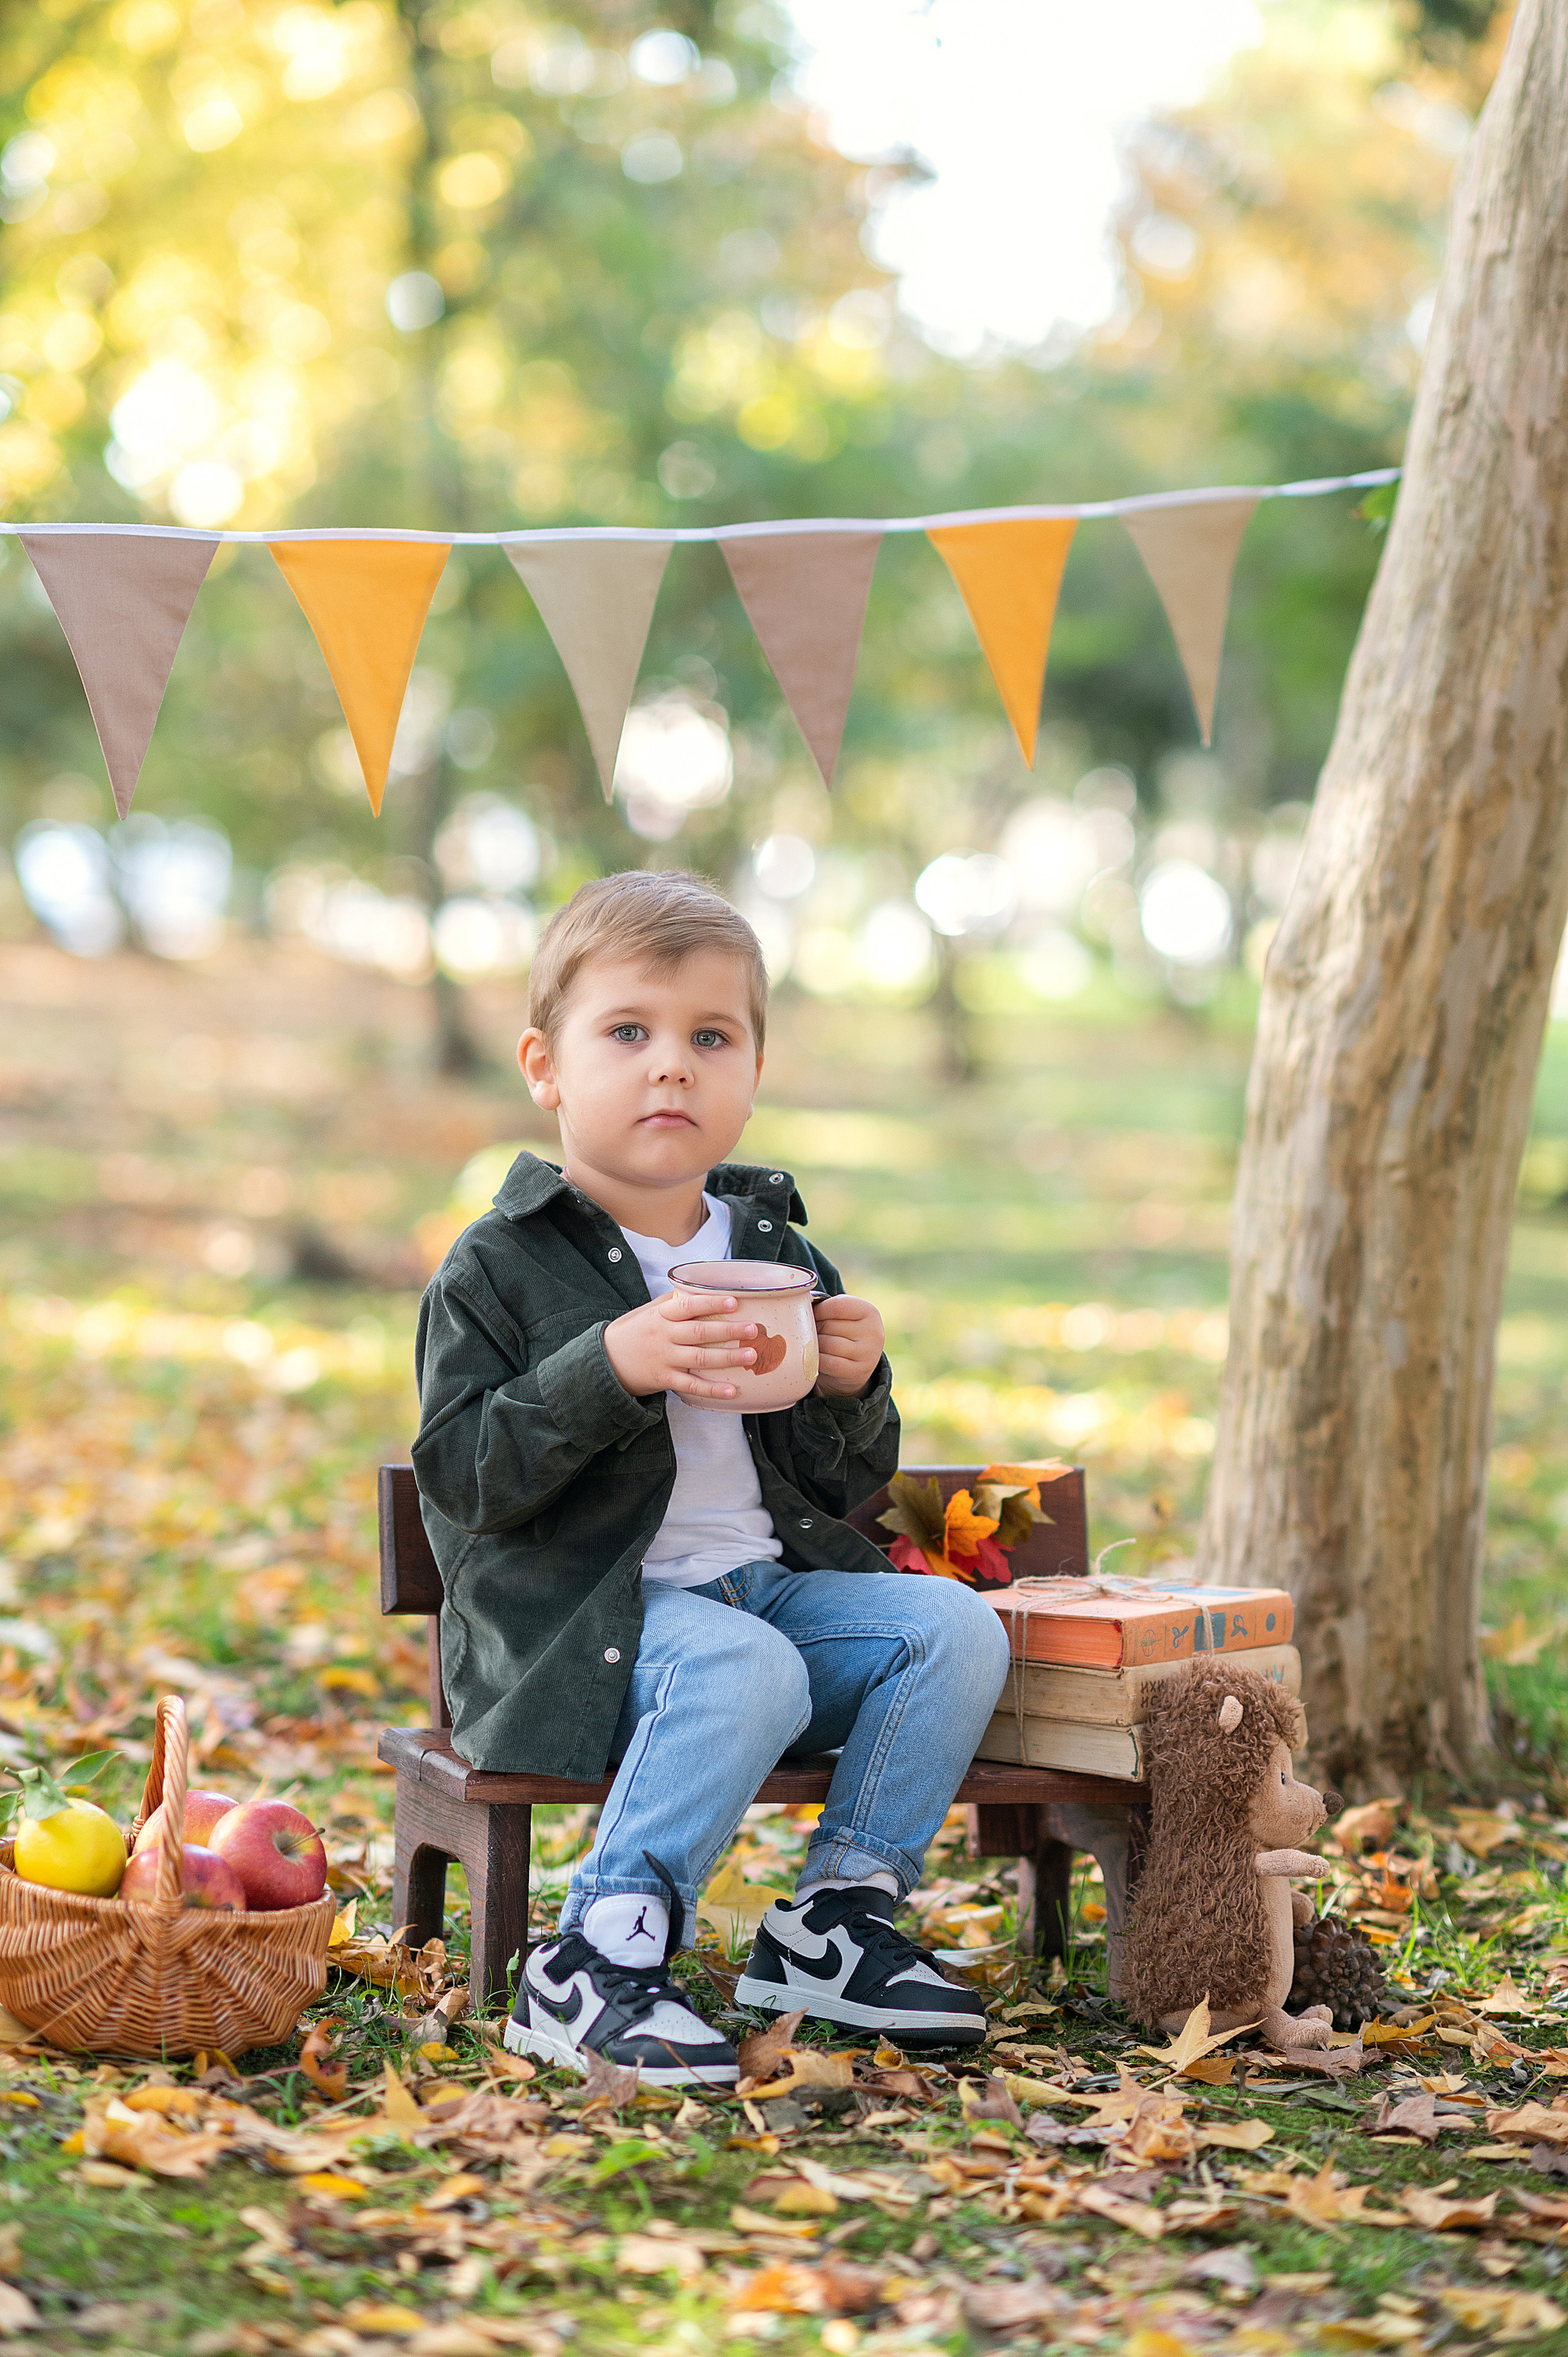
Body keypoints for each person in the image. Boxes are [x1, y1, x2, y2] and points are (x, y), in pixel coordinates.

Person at [413, 869, 1011, 2089]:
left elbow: (842, 1482)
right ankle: (593, 1957)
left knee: (948, 1626)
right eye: (626, 1032)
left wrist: (855, 1386)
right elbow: (465, 1483)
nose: (669, 1066)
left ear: (751, 1070)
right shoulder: (499, 1265)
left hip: (759, 1592)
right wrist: (610, 1368)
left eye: (708, 1037)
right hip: (581, 1628)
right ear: (546, 1065)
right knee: (747, 1664)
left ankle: (837, 1919)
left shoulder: (772, 1249)